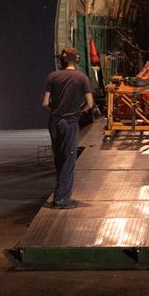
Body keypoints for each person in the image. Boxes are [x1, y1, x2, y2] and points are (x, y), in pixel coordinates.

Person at [42, 47, 94, 208]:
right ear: (76, 60)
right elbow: (90, 104)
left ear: (63, 60)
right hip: (70, 122)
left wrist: (56, 110)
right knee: (69, 159)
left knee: (59, 158)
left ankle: (60, 193)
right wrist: (78, 111)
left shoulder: (52, 76)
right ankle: (62, 199)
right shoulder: (82, 78)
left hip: (54, 122)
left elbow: (45, 103)